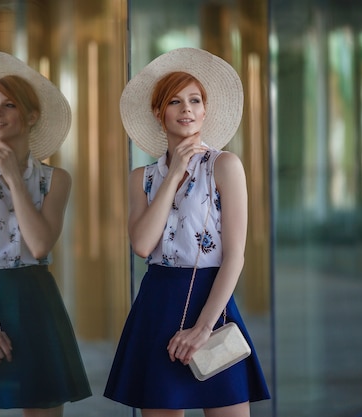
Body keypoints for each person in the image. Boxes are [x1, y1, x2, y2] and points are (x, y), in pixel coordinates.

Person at [104, 48, 271, 416]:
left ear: (205, 110)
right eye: (175, 101)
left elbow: (235, 256)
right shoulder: (142, 179)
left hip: (214, 302)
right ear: (158, 112)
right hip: (158, 303)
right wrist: (175, 172)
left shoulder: (225, 165)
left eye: (195, 100)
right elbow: (142, 244)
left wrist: (202, 328)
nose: (187, 109)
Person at [0, 51, 91, 417]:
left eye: (8, 104)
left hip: (35, 301)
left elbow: (40, 244)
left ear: (31, 115)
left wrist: (13, 177)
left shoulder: (55, 179)